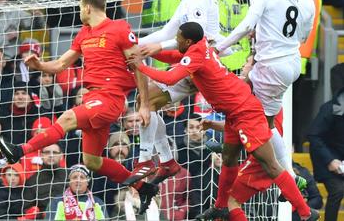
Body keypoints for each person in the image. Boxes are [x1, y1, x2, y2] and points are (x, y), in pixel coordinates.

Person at [127, 21, 318, 221]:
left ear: (188, 41)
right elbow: (174, 56)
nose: (176, 42)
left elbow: (170, 78)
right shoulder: (198, 49)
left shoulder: (196, 55)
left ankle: (305, 212)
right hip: (233, 114)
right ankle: (220, 206)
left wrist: (140, 65)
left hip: (245, 113)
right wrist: (147, 52)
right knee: (228, 158)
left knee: (270, 164)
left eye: (178, 39)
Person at [0, 0, 158, 214]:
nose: (80, 12)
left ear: (87, 8)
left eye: (80, 8)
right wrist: (39, 66)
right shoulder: (83, 33)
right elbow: (60, 64)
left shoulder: (119, 27)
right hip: (93, 98)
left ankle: (19, 151)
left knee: (67, 117)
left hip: (110, 98)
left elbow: (139, 64)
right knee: (92, 161)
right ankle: (142, 186)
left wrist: (144, 104)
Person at [215, 0, 314, 188]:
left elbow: (248, 25)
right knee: (265, 121)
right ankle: (287, 170)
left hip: (271, 64)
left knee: (247, 108)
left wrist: (219, 47)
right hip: (291, 64)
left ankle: (239, 150)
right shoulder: (308, 1)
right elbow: (303, 37)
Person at [129, 0, 221, 185]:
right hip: (193, 62)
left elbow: (196, 38)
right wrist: (136, 44)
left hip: (200, 67)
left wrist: (156, 48)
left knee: (147, 101)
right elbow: (168, 31)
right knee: (145, 98)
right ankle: (166, 161)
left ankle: (146, 160)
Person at [307, 91, 344, 221]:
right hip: (324, 158)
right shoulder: (330, 109)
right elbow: (313, 135)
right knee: (338, 190)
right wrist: (330, 160)